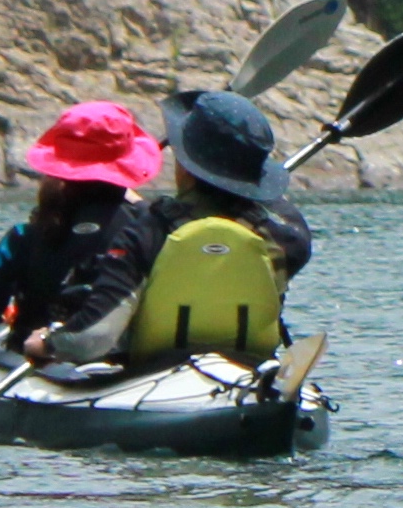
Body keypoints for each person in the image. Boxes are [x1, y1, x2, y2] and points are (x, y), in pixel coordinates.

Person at [30, 88, 313, 366]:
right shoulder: (290, 237)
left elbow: (92, 337)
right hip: (248, 373)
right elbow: (270, 208)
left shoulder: (147, 230)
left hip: (155, 378)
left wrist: (47, 343)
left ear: (185, 166)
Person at [0, 103, 165, 357]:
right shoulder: (155, 225)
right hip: (128, 365)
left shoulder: (24, 237)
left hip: (39, 359)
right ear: (128, 163)